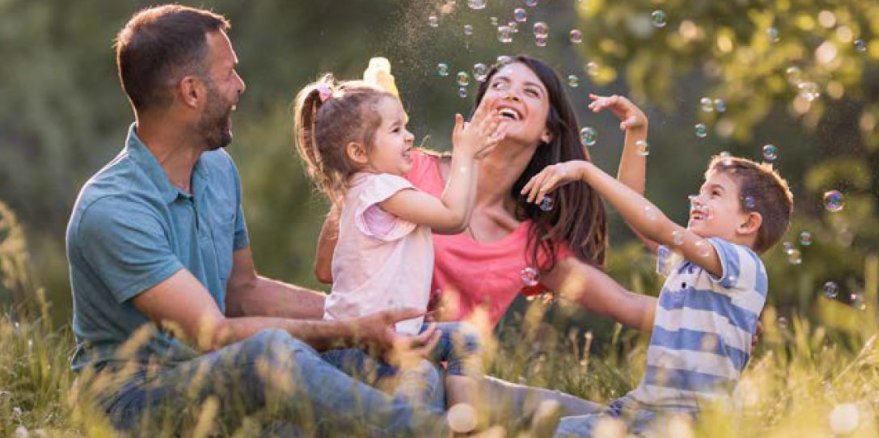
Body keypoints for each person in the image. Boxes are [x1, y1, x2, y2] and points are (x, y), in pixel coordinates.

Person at [65, 5, 453, 435]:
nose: (240, 86)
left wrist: (375, 317)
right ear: (192, 92)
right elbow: (213, 333)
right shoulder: (112, 209)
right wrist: (352, 329)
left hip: (220, 378)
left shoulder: (216, 169)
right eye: (229, 73)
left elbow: (243, 291)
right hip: (134, 403)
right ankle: (436, 432)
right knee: (271, 353)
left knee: (402, 365)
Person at [315, 56, 654, 417]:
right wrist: (357, 175)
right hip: (385, 359)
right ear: (477, 112)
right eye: (499, 86)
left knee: (609, 420)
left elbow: (628, 305)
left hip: (458, 385)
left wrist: (713, 310)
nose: (510, 95)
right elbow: (326, 268)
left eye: (529, 91)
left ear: (548, 132)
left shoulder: (530, 242)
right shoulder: (408, 171)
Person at [519, 151, 793, 434]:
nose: (697, 200)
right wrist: (637, 131)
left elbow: (658, 227)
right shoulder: (692, 263)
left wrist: (587, 172)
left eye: (714, 193)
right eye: (701, 191)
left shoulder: (744, 263)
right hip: (645, 408)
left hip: (693, 418)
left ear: (748, 223)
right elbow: (638, 215)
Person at [291, 71, 505, 418]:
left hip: (377, 337)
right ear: (359, 152)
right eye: (396, 130)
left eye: (404, 126)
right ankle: (421, 425)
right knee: (419, 378)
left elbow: (456, 214)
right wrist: (463, 156)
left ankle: (464, 422)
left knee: (466, 338)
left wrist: (472, 160)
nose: (410, 137)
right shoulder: (380, 189)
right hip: (360, 347)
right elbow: (454, 218)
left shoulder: (361, 191)